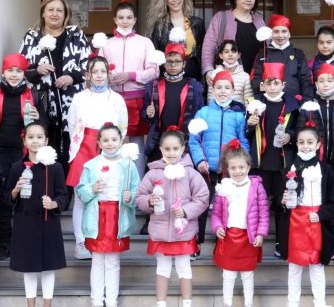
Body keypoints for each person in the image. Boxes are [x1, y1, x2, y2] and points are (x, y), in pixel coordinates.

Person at [0, 53, 48, 261]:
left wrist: (39, 118)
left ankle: (26, 241)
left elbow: (44, 126)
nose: (14, 75)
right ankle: (6, 243)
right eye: (10, 70)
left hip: (24, 153)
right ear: (3, 72)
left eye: (19, 71)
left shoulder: (33, 95)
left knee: (27, 197)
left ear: (24, 73)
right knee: (3, 199)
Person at [137, 128, 210, 307]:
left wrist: (186, 211)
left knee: (184, 269)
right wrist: (149, 201)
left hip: (183, 231)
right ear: (161, 149)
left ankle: (187, 303)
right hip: (161, 232)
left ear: (182, 149)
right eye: (167, 149)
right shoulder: (153, 173)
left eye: (175, 149)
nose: (171, 153)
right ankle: (161, 303)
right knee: (162, 269)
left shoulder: (191, 173)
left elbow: (202, 198)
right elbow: (139, 196)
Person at [19, 0, 92, 172]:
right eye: (50, 10)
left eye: (59, 10)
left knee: (69, 151)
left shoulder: (76, 34)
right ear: (43, 13)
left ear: (65, 14)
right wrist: (37, 70)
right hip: (41, 102)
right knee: (42, 146)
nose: (55, 14)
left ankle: (65, 195)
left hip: (70, 102)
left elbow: (89, 65)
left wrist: (72, 77)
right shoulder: (32, 36)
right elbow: (20, 69)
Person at [66, 55, 128, 260]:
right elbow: (72, 123)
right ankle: (80, 242)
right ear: (88, 75)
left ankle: (102, 238)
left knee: (105, 194)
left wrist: (112, 145)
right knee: (82, 196)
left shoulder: (116, 99)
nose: (99, 76)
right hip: (84, 145)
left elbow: (122, 126)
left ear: (109, 74)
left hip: (108, 146)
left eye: (103, 71)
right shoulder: (80, 98)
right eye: (95, 72)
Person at [279, 126, 334, 307]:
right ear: (296, 144)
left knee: (317, 266)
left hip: (316, 222)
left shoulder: (327, 171)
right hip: (294, 222)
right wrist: (283, 201)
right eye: (301, 142)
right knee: (294, 266)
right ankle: (292, 303)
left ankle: (320, 303)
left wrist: (322, 215)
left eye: (309, 142)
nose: (305, 146)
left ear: (318, 145)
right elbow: (278, 201)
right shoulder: (287, 170)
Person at [76, 123, 139, 307]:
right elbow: (81, 192)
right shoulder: (91, 165)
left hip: (116, 216)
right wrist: (91, 188)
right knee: (97, 260)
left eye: (114, 139)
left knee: (112, 261)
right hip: (97, 216)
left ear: (121, 140)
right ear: (99, 142)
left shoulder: (128, 165)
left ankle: (111, 301)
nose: (110, 143)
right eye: (105, 140)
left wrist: (130, 197)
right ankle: (97, 300)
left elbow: (137, 191)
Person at [189, 70, 250, 258]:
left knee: (224, 207)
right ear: (212, 89)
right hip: (206, 169)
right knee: (200, 206)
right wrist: (199, 160)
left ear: (233, 91)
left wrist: (242, 163)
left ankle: (222, 244)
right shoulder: (204, 112)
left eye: (227, 88)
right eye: (219, 87)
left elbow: (244, 141)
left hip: (228, 172)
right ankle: (195, 243)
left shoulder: (238, 116)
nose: (223, 91)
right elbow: (194, 140)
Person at [7, 122, 67, 307]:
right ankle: (30, 304)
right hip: (25, 223)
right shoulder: (17, 167)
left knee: (49, 267)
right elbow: (6, 196)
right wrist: (15, 190)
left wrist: (54, 203)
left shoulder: (55, 167)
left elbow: (64, 195)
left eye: (39, 137)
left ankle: (47, 304)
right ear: (24, 140)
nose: (35, 141)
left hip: (49, 224)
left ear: (46, 140)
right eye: (31, 137)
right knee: (29, 268)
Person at [298, 63, 334, 259]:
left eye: (330, 80)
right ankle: (313, 241)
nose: (325, 84)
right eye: (321, 81)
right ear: (316, 84)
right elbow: (300, 132)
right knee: (316, 202)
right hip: (316, 164)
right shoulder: (309, 107)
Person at [98, 0, 158, 178]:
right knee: (112, 140)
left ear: (135, 20)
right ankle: (115, 180)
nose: (125, 21)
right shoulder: (107, 44)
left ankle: (137, 183)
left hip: (137, 98)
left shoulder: (145, 42)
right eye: (121, 17)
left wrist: (131, 75)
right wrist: (109, 77)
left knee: (136, 142)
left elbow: (154, 70)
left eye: (129, 17)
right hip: (113, 99)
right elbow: (98, 70)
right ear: (115, 19)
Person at [246, 62, 300, 257]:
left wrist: (291, 136)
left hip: (283, 163)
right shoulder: (255, 104)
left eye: (276, 83)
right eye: (268, 83)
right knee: (256, 204)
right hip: (260, 163)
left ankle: (281, 243)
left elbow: (299, 129)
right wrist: (250, 124)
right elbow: (247, 133)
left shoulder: (293, 105)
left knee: (282, 204)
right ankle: (252, 240)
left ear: (283, 84)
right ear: (263, 84)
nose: (272, 87)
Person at [211, 140, 269, 307]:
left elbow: (264, 212)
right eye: (233, 168)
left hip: (248, 237)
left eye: (241, 167)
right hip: (229, 236)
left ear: (248, 167)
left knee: (247, 274)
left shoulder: (256, 186)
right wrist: (217, 227)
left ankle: (248, 304)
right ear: (227, 169)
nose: (238, 171)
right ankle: (227, 304)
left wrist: (260, 233)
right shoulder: (224, 187)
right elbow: (216, 213)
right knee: (228, 275)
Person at [142, 44, 204, 163]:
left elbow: (199, 113)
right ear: (164, 64)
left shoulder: (194, 86)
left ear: (184, 64)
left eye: (177, 61)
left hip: (185, 141)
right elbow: (145, 112)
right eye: (169, 62)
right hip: (159, 141)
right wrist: (148, 114)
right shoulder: (154, 85)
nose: (173, 65)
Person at [202, 0, 266, 78]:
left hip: (256, 77)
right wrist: (208, 70)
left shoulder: (259, 21)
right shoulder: (221, 18)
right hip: (227, 78)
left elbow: (267, 48)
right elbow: (209, 46)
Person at [146, 0, 206, 80]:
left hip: (192, 74)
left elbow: (204, 52)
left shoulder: (197, 23)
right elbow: (155, 53)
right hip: (168, 74)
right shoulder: (159, 25)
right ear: (165, 0)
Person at [250, 14, 314, 102]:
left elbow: (306, 80)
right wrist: (267, 87)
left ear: (289, 34)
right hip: (268, 103)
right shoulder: (263, 53)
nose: (280, 35)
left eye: (284, 31)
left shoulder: (298, 54)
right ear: (271, 33)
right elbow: (255, 79)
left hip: (294, 102)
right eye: (276, 31)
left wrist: (306, 102)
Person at [207, 40, 253, 105]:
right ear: (221, 55)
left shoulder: (245, 76)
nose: (230, 54)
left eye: (233, 51)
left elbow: (249, 98)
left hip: (239, 112)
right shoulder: (214, 75)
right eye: (226, 52)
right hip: (219, 113)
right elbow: (211, 99)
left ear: (238, 55)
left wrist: (249, 111)